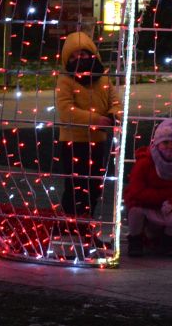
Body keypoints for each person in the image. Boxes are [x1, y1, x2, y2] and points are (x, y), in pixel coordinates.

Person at [56, 31, 120, 219]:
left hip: (98, 142)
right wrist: (96, 120)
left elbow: (116, 103)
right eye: (73, 57)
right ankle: (72, 225)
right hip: (73, 143)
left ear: (91, 55)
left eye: (82, 55)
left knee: (94, 187)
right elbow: (66, 111)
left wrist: (113, 116)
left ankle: (86, 224)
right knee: (75, 188)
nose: (78, 59)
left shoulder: (104, 80)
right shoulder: (65, 80)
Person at [124, 119, 172, 256]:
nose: (170, 146)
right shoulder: (145, 162)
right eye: (165, 142)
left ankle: (166, 242)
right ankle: (135, 242)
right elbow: (136, 190)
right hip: (145, 203)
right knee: (135, 211)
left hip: (168, 205)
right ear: (157, 143)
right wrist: (166, 195)